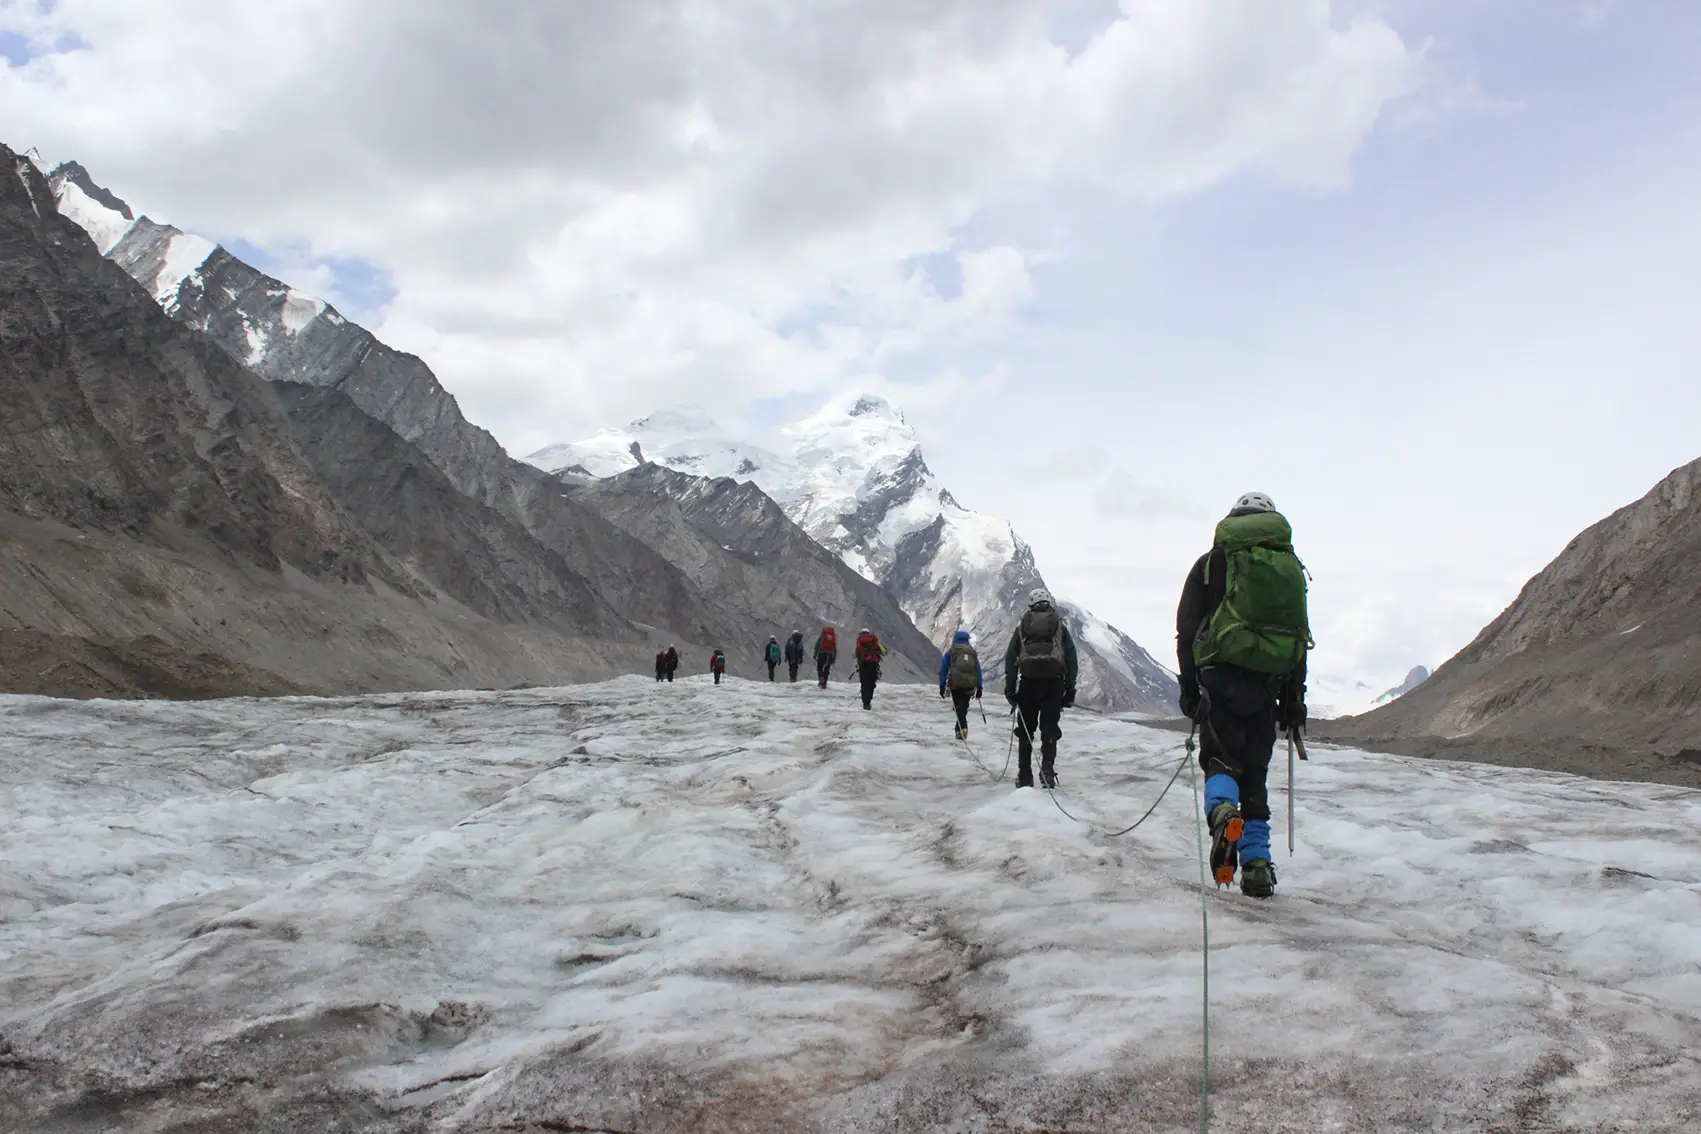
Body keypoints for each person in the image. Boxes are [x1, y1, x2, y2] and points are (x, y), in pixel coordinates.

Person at [1176, 491, 1310, 900]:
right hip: (1268, 687)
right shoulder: (1288, 570)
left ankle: (1221, 814)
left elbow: (1187, 628)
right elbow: (1298, 639)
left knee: (1220, 760)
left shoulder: (1211, 564)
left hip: (1220, 682)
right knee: (1255, 774)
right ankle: (1255, 868)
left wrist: (1189, 688)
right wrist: (1293, 699)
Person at [1003, 588, 1078, 789]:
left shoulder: (1023, 626)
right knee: (1049, 729)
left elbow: (1011, 658)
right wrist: (1070, 691)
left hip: (1028, 684)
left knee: (1025, 730)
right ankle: (1047, 772)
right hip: (1054, 684)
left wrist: (1010, 689)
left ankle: (1025, 776)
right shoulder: (1059, 626)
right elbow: (1071, 658)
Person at [938, 630, 983, 739]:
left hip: (955, 685)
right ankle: (960, 731)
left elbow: (943, 668)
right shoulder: (972, 653)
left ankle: (962, 729)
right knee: (963, 707)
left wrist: (942, 685)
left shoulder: (952, 651)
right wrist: (979, 686)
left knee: (959, 707)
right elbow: (978, 670)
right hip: (970, 686)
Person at [853, 628, 886, 710]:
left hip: (863, 665)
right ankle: (869, 701)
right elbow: (884, 651)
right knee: (871, 683)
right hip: (873, 665)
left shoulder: (860, 641)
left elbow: (854, 654)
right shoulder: (874, 640)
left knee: (864, 683)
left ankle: (865, 703)